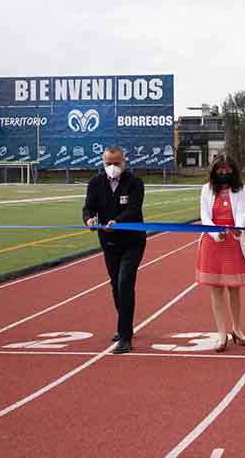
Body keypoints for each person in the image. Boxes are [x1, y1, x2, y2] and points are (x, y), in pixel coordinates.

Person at [83, 146, 146, 354]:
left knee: (125, 283)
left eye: (116, 163)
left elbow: (134, 209)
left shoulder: (135, 183)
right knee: (115, 285)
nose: (112, 167)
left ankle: (125, 337)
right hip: (109, 242)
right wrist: (89, 220)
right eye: (108, 163)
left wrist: (116, 221)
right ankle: (125, 324)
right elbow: (88, 207)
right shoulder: (95, 183)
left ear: (124, 162)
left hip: (132, 241)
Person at [196, 155, 245, 352]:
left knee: (234, 288)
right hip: (212, 243)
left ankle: (237, 329)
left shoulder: (241, 189)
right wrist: (214, 233)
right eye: (220, 172)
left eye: (228, 172)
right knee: (216, 289)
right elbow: (204, 216)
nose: (224, 175)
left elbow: (242, 213)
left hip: (233, 242)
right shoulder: (206, 189)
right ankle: (221, 333)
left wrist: (238, 228)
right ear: (214, 172)